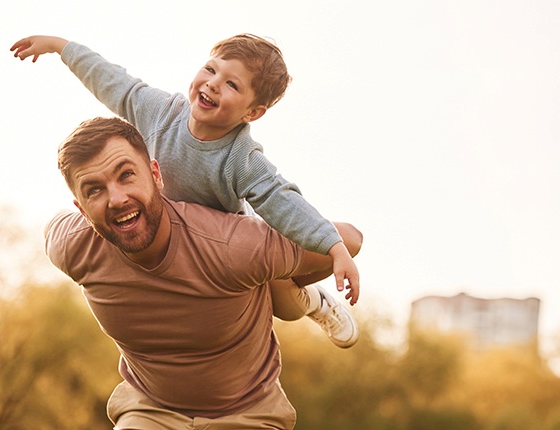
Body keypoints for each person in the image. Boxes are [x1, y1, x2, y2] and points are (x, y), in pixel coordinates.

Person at [13, 33, 363, 347]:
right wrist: (61, 47)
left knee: (283, 306)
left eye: (232, 85)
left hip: (223, 244)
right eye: (211, 70)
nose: (212, 85)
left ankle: (316, 302)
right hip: (165, 233)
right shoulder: (162, 111)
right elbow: (114, 82)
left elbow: (281, 199)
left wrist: (334, 247)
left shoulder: (242, 159)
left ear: (253, 112)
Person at [45, 116, 362, 428]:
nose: (116, 199)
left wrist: (279, 272)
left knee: (285, 299)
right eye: (94, 190)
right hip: (151, 410)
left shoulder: (230, 245)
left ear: (156, 174)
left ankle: (304, 296)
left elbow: (350, 239)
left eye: (126, 175)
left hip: (248, 412)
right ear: (81, 209)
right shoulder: (73, 246)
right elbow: (51, 229)